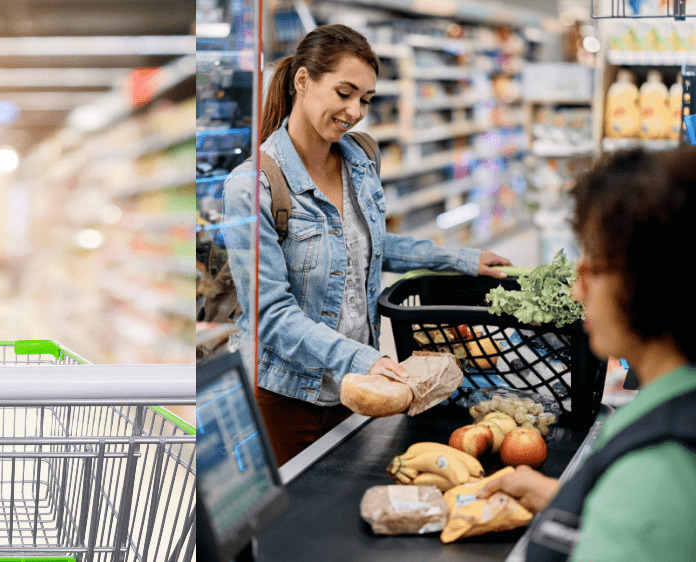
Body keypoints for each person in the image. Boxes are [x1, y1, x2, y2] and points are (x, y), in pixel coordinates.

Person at [221, 24, 511, 466]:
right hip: (283, 398)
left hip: (356, 389)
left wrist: (462, 259)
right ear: (303, 81)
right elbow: (270, 316)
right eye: (344, 93)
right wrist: (364, 359)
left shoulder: (360, 158)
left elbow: (370, 244)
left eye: (366, 99)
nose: (355, 111)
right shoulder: (253, 185)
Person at [478, 147, 696, 561]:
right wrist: (565, 498)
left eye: (593, 269)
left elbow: (649, 508)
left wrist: (628, 497)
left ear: (650, 279)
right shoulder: (674, 399)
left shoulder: (660, 468)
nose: (578, 292)